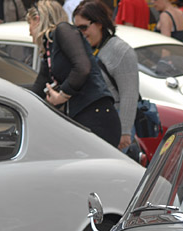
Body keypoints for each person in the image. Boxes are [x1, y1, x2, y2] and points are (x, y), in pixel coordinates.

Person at [30, 0, 121, 146]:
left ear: (37, 19)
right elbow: (39, 86)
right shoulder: (50, 47)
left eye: (29, 24)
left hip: (96, 116)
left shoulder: (63, 30)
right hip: (82, 118)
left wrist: (62, 95)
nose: (29, 31)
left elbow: (82, 67)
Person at [73, 0, 138, 152]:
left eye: (84, 27)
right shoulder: (86, 48)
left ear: (99, 23)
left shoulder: (121, 50)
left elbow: (129, 94)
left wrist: (124, 132)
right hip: (93, 126)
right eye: (76, 29)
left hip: (115, 126)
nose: (81, 34)